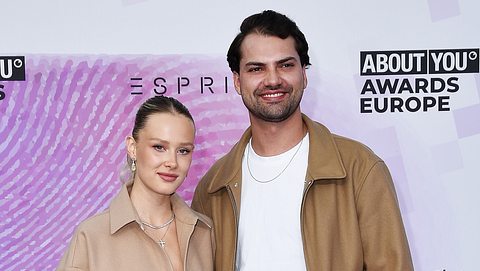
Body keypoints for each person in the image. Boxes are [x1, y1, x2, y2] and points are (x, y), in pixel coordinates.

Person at [191, 10, 413, 271]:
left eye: (285, 65)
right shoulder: (213, 187)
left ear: (304, 74)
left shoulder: (359, 168)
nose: (273, 80)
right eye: (256, 69)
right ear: (238, 82)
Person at [57, 96, 215, 271]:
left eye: (183, 151)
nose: (172, 162)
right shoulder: (91, 236)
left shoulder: (205, 232)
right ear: (132, 148)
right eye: (159, 147)